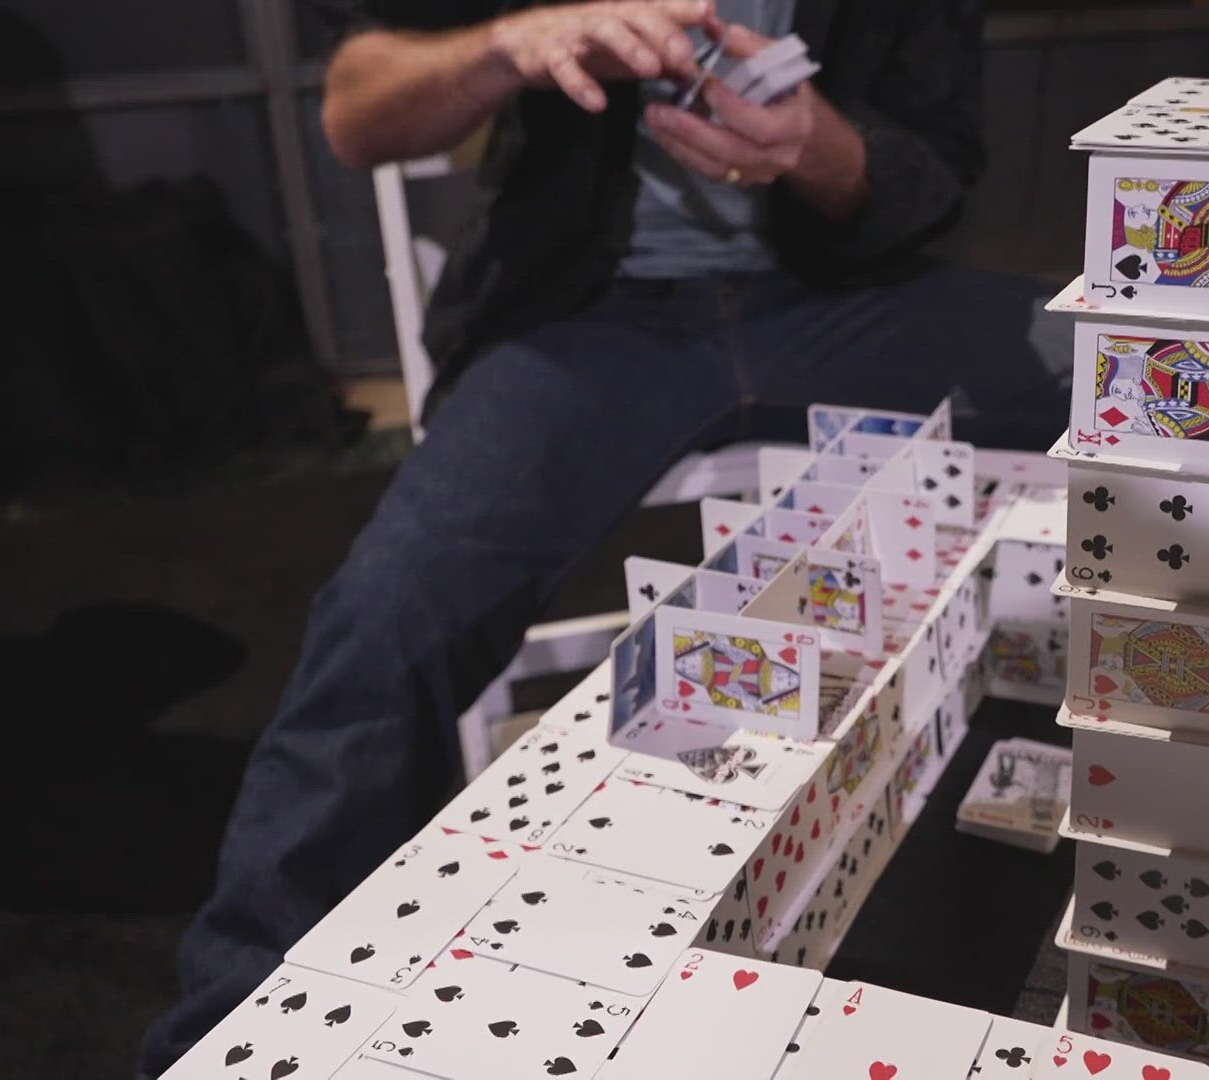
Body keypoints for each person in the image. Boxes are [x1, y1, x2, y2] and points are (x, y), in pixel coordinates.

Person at [141, 0, 1063, 1072]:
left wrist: (822, 149)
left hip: (841, 303)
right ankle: (230, 1027)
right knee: (383, 617)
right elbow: (358, 113)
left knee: (1150, 374)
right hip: (589, 324)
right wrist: (508, 45)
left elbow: (934, 167)